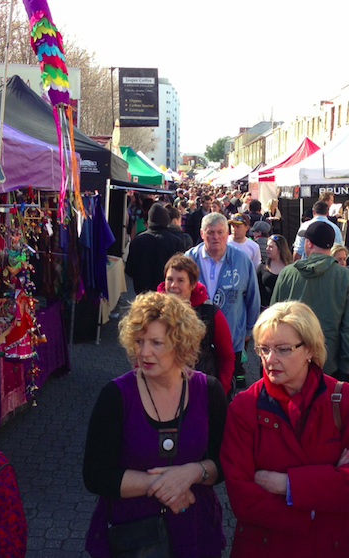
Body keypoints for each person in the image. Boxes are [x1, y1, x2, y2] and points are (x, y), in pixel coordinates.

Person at [220, 301, 349, 558]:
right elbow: (242, 498)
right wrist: (327, 486)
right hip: (264, 547)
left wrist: (287, 485)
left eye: (283, 349)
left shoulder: (346, 400)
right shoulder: (244, 407)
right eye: (264, 349)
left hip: (334, 548)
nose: (269, 359)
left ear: (309, 349)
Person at [83, 292, 227, 558]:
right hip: (130, 536)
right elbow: (96, 475)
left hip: (195, 532)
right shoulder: (115, 396)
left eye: (156, 343)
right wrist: (167, 484)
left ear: (180, 344)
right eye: (139, 341)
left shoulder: (209, 391)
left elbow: (224, 461)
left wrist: (193, 473)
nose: (144, 352)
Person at [272, 222, 349, 379]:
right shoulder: (347, 277)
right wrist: (346, 368)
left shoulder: (287, 273)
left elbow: (272, 321)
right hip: (328, 365)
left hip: (289, 363)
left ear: (309, 243)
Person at [186, 212, 260, 390]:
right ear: (202, 234)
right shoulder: (189, 259)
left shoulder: (242, 260)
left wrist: (249, 330)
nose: (215, 237)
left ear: (227, 234)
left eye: (220, 232)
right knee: (196, 388)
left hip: (232, 339)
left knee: (226, 387)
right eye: (210, 232)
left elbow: (252, 297)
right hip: (195, 341)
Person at [158, 255, 235, 395]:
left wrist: (221, 391)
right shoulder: (154, 310)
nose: (173, 285)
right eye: (170, 279)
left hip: (200, 390)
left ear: (192, 284)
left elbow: (227, 357)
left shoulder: (210, 312)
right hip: (161, 388)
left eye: (180, 280)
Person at [126, 204, 186, 294]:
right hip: (167, 293)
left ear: (149, 221)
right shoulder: (175, 241)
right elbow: (182, 269)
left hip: (143, 294)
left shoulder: (138, 241)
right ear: (167, 221)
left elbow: (130, 270)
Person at [257, 234, 292, 308]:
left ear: (279, 249)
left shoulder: (291, 268)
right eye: (267, 246)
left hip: (284, 310)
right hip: (265, 309)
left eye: (271, 247)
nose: (267, 249)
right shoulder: (262, 267)